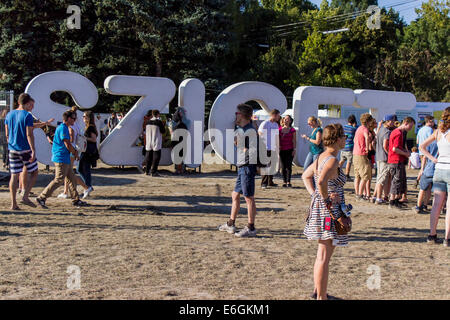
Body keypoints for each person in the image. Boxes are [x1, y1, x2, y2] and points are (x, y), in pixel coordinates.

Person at [302, 123, 348, 300]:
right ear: (337, 139)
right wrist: (326, 199)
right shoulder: (332, 159)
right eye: (343, 136)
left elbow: (306, 176)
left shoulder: (321, 156)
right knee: (324, 256)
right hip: (329, 211)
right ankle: (321, 297)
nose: (345, 139)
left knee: (322, 254)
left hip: (323, 209)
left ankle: (318, 292)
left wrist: (315, 196)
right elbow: (320, 181)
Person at [219, 103, 258, 238]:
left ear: (242, 115)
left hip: (247, 167)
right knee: (235, 195)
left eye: (237, 114)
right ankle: (231, 224)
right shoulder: (243, 129)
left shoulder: (249, 130)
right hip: (242, 166)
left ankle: (251, 228)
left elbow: (252, 150)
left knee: (249, 198)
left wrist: (241, 146)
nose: (235, 116)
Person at [36, 110, 87, 208]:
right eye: (73, 118)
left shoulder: (64, 128)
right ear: (68, 119)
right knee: (59, 180)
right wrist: (75, 152)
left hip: (64, 157)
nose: (74, 120)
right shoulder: (63, 128)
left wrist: (73, 152)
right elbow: (67, 143)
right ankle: (41, 197)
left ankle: (76, 200)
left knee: (71, 179)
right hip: (61, 157)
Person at [419, 107, 450, 247]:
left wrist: (433, 159)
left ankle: (432, 234)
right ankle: (447, 238)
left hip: (439, 170)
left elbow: (421, 146)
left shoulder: (438, 132)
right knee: (449, 206)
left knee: (436, 204)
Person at [4, 93, 38, 209]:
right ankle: (25, 196)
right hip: (25, 149)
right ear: (27, 103)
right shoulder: (27, 115)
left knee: (14, 175)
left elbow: (7, 134)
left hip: (12, 148)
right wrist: (33, 150)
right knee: (34, 172)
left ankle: (13, 203)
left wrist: (11, 143)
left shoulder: (9, 114)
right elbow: (29, 134)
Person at [58, 106, 90, 199]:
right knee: (68, 173)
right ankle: (66, 191)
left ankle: (85, 187)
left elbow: (71, 138)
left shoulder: (70, 126)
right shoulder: (77, 125)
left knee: (68, 172)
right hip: (74, 149)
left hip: (70, 150)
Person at [387, 117, 415, 210]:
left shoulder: (399, 132)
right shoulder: (398, 133)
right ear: (406, 123)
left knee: (399, 181)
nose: (410, 129)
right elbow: (395, 149)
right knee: (396, 181)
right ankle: (392, 201)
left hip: (397, 160)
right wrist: (406, 153)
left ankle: (396, 200)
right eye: (410, 126)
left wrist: (405, 152)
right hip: (396, 160)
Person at [372, 115, 397, 204]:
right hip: (384, 158)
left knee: (379, 177)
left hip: (378, 157)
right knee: (382, 179)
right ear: (389, 121)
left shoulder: (380, 130)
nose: (394, 123)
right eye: (393, 121)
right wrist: (389, 154)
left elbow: (373, 143)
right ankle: (378, 198)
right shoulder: (387, 132)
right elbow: (385, 145)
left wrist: (377, 151)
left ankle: (375, 196)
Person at [414, 136, 438, 214]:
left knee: (423, 189)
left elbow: (424, 157)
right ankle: (427, 205)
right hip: (438, 169)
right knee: (435, 191)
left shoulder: (430, 143)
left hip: (428, 169)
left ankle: (418, 206)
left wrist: (422, 169)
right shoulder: (444, 142)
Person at [353, 113, 374, 201]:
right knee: (365, 175)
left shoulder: (358, 128)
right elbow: (366, 137)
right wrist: (366, 147)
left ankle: (357, 193)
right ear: (368, 121)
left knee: (357, 176)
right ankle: (360, 195)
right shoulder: (365, 129)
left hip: (355, 153)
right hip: (361, 154)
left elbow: (354, 140)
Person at [258, 109, 280, 189]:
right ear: (274, 115)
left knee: (272, 165)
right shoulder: (265, 123)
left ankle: (270, 181)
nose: (279, 117)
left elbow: (277, 137)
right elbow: (260, 134)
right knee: (265, 165)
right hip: (265, 147)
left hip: (273, 147)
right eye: (278, 115)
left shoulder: (276, 125)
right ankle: (263, 183)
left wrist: (278, 147)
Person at [78, 111, 98, 198]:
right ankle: (87, 187)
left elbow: (94, 139)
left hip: (88, 151)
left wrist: (84, 138)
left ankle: (88, 187)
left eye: (84, 116)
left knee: (85, 170)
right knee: (81, 169)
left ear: (89, 118)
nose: (83, 118)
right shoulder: (88, 127)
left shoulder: (91, 127)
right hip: (86, 150)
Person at [144, 109, 165, 176]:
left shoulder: (147, 122)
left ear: (152, 114)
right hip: (156, 140)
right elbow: (163, 131)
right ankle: (154, 171)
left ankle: (147, 171)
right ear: (158, 114)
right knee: (156, 157)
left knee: (148, 157)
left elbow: (144, 130)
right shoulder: (159, 122)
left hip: (149, 141)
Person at [279, 115, 296, 187]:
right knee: (283, 166)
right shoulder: (279, 129)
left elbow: (294, 140)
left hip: (290, 149)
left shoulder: (292, 130)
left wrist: (294, 149)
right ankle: (284, 181)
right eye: (285, 119)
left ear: (290, 121)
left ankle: (288, 181)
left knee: (288, 166)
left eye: (288, 119)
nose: (286, 120)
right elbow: (277, 140)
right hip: (282, 150)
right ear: (283, 120)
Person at [171, 107, 189, 174]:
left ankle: (179, 170)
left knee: (178, 157)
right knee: (180, 157)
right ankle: (180, 170)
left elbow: (174, 136)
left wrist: (172, 144)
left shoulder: (177, 126)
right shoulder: (184, 125)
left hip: (178, 142)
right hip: (182, 142)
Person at [339, 115, 357, 181]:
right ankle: (347, 175)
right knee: (349, 162)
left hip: (343, 147)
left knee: (342, 160)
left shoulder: (344, 127)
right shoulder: (354, 129)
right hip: (350, 148)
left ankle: (336, 172)